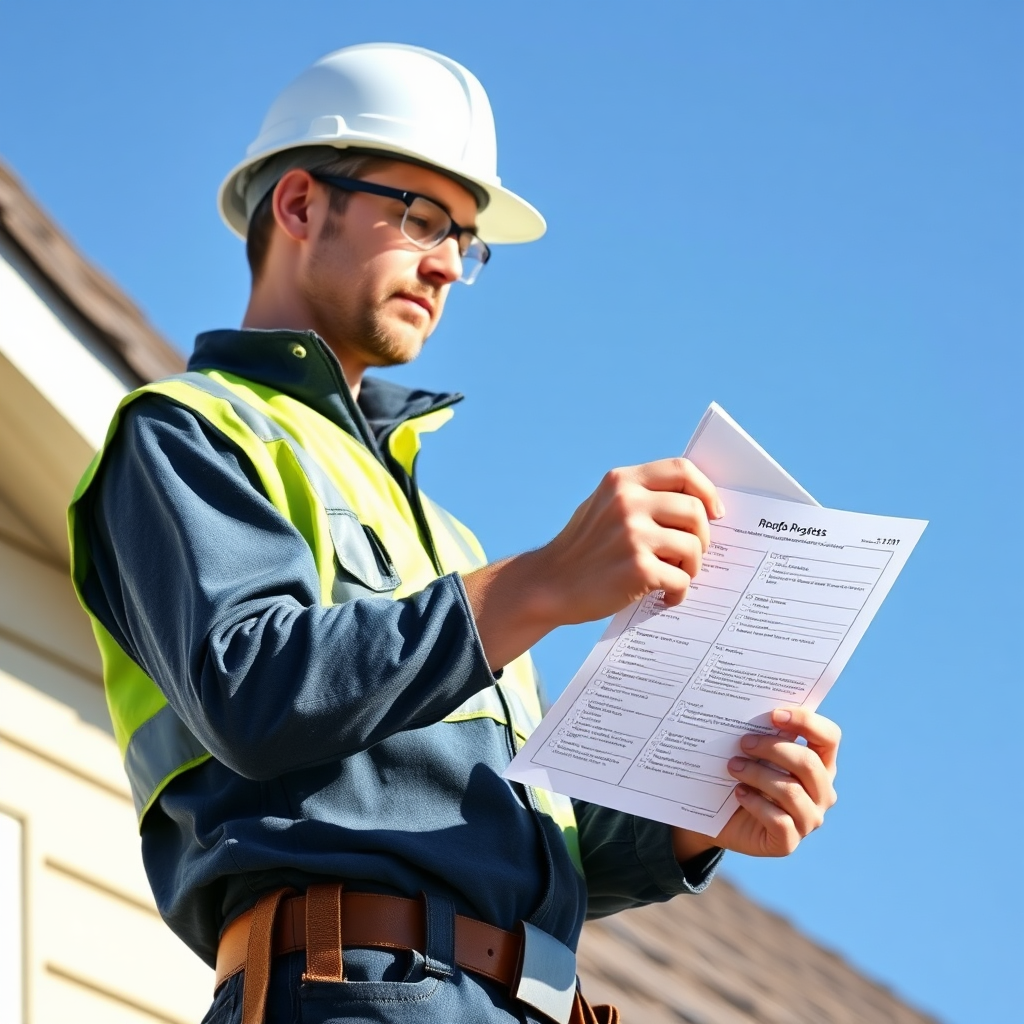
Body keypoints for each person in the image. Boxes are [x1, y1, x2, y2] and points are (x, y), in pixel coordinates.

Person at [69, 43, 840, 1024]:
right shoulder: (188, 432)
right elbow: (255, 690)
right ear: (299, 204)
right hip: (347, 994)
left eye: (464, 240)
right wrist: (542, 585)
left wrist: (701, 817)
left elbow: (524, 839)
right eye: (420, 217)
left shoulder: (449, 538)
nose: (446, 264)